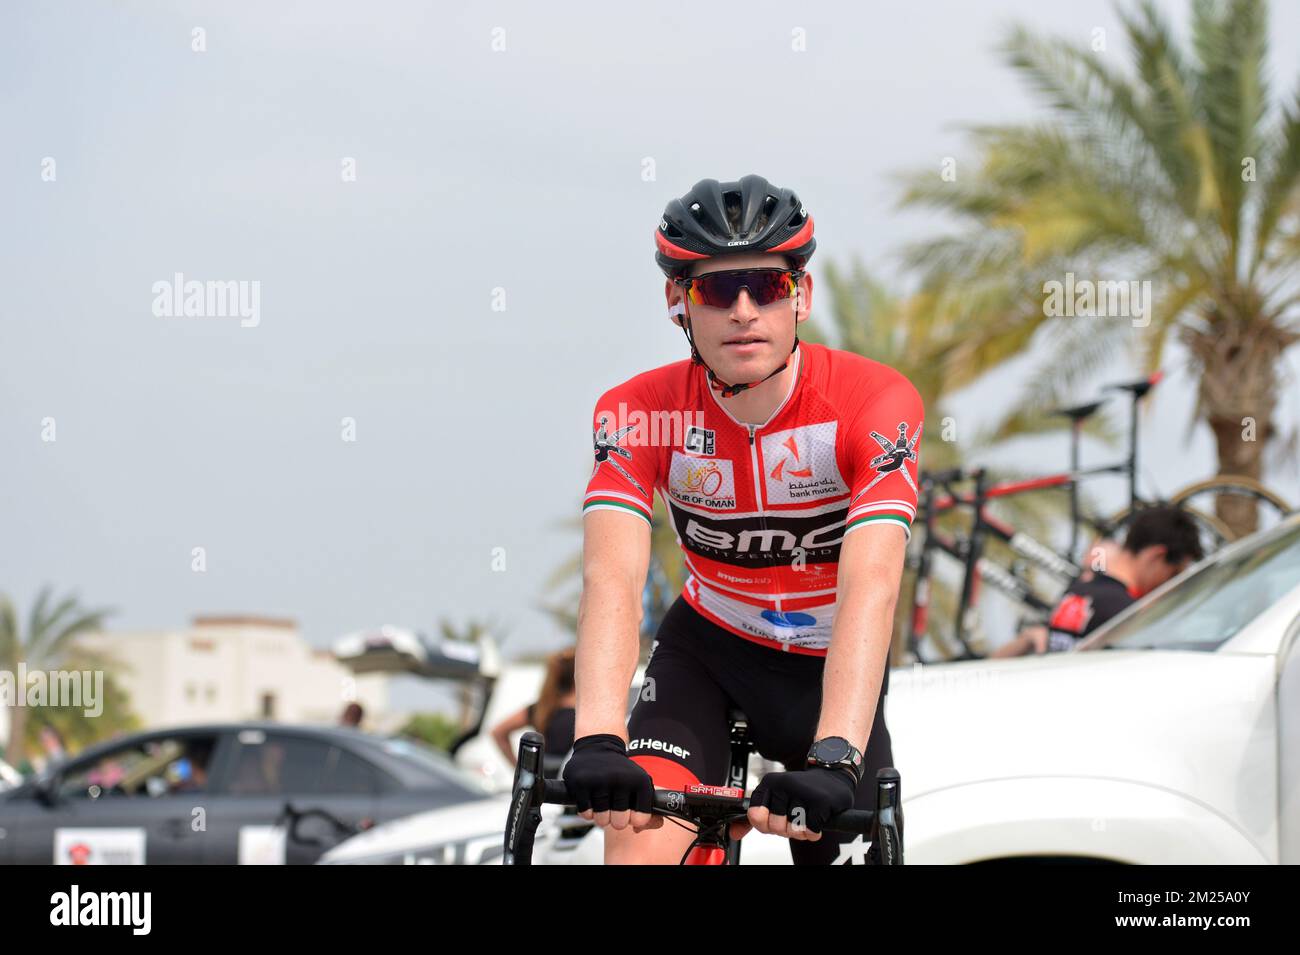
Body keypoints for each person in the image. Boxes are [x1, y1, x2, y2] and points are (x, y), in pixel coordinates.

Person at [566, 175, 924, 864]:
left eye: (764, 285)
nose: (741, 310)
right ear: (677, 301)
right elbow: (611, 577)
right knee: (632, 841)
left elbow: (872, 582)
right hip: (710, 650)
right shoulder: (637, 413)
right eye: (713, 289)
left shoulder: (874, 402)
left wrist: (838, 756)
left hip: (830, 669)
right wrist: (597, 739)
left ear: (802, 296)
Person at [991, 506, 1203, 657]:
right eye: (1174, 573)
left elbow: (1001, 660)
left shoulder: (1078, 591)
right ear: (1156, 556)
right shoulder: (1125, 614)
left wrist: (1028, 637)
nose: (1171, 585)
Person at [491, 647, 577, 778]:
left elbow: (498, 732)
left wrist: (522, 770)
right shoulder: (585, 712)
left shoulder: (543, 708)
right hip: (569, 788)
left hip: (542, 786)